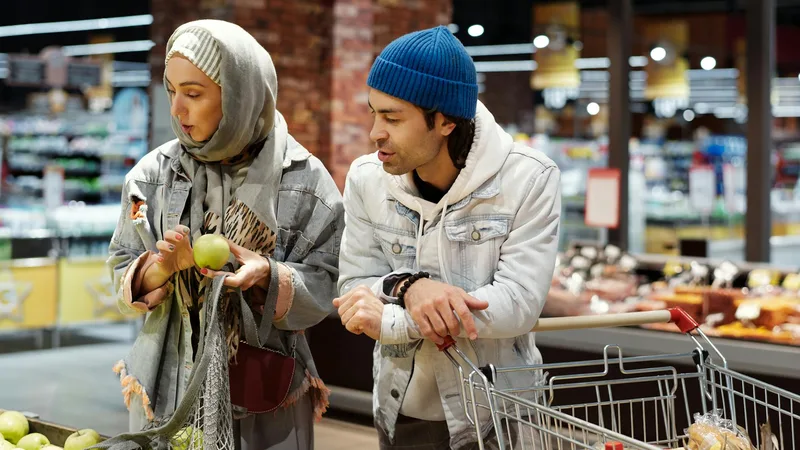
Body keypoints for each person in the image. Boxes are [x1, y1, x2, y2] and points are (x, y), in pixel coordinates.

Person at [107, 19, 343, 450]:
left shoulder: (305, 182)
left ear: (239, 94)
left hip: (265, 392)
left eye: (193, 94)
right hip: (166, 389)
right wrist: (160, 268)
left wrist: (270, 276)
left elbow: (329, 282)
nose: (177, 109)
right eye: (172, 91)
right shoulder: (150, 178)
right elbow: (120, 267)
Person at [334, 25, 561, 450]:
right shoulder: (367, 179)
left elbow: (517, 305)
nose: (374, 133)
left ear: (444, 122)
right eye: (374, 113)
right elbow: (353, 286)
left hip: (498, 415)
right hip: (400, 410)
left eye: (392, 118)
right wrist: (410, 286)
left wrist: (393, 319)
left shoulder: (529, 178)